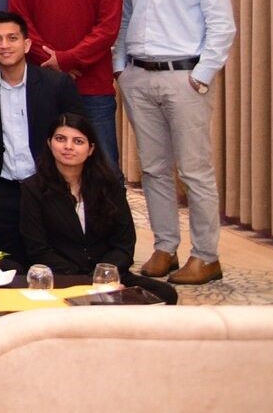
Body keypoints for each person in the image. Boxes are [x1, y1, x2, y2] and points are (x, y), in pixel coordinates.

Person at [117, 0, 235, 286]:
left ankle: (206, 256)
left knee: (194, 171)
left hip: (185, 77)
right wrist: (120, 68)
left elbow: (221, 23)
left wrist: (201, 76)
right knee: (153, 169)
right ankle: (165, 247)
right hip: (138, 76)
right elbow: (124, 18)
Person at [8, 0, 124, 163]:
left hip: (93, 85)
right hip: (40, 82)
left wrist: (66, 59)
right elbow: (20, 22)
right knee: (41, 163)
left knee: (105, 166)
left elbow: (108, 28)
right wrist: (53, 63)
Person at [20, 112, 180, 304]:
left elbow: (124, 243)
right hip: (62, 278)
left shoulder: (109, 185)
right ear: (49, 143)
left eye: (78, 141)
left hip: (106, 277)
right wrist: (84, 281)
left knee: (165, 293)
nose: (68, 147)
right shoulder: (33, 188)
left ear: (91, 149)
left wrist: (103, 275)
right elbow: (38, 249)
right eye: (60, 139)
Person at [0, 11, 82, 263]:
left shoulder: (56, 85)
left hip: (48, 187)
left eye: (12, 38)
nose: (4, 45)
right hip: (2, 190)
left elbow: (76, 135)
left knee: (53, 262)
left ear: (26, 44)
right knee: (7, 263)